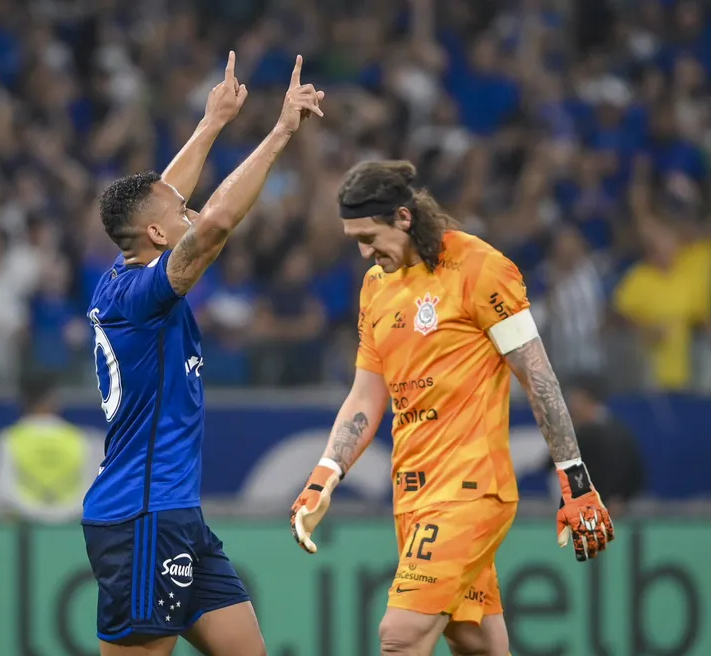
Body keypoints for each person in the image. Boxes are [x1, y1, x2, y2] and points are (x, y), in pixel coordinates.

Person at [289, 161, 615, 656]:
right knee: (478, 643)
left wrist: (575, 478)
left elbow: (539, 376)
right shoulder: (377, 286)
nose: (363, 252)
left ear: (403, 217)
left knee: (400, 637)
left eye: (369, 236)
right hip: (412, 494)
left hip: (470, 490)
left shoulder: (480, 268)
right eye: (353, 238)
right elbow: (365, 394)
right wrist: (324, 476)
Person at [83, 52, 323, 656]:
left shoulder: (127, 269)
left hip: (176, 515)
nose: (186, 207)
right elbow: (213, 224)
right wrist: (279, 134)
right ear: (161, 237)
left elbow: (165, 202)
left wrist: (212, 121)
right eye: (176, 213)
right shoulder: (144, 294)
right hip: (141, 518)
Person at [0, 375, 89, 523]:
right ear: (54, 400)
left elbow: (4, 488)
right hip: (68, 529)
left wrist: (37, 514)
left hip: (23, 527)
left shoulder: (8, 438)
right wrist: (59, 514)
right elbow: (89, 489)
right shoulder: (78, 438)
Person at [543, 374, 646, 518]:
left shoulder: (614, 434)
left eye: (576, 400)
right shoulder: (578, 433)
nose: (572, 406)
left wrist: (620, 499)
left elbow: (635, 472)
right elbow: (550, 465)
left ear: (588, 401)